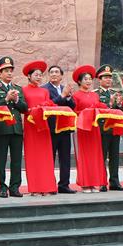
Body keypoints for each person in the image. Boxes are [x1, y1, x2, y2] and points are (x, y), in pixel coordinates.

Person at [0, 56, 28, 198]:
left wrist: (16, 99)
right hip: (2, 128)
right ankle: (2, 187)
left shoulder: (18, 89)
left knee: (17, 160)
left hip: (16, 128)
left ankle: (15, 187)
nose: (9, 73)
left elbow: (24, 108)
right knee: (1, 159)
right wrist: (5, 99)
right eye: (6, 70)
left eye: (11, 70)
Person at [21, 61, 57, 196]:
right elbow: (23, 109)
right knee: (32, 157)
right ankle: (35, 188)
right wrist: (32, 110)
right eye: (36, 75)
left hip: (43, 127)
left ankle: (46, 187)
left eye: (40, 75)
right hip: (31, 126)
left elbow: (50, 106)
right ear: (29, 76)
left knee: (45, 157)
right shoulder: (23, 90)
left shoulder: (45, 90)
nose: (38, 77)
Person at [71, 65, 108, 193]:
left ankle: (94, 183)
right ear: (79, 81)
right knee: (84, 156)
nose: (88, 81)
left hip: (94, 128)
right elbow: (74, 112)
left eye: (90, 79)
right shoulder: (76, 96)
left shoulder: (94, 95)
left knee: (94, 155)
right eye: (85, 79)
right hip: (82, 129)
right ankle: (85, 184)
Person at [42, 65, 76, 194]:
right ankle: (49, 184)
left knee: (65, 158)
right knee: (50, 157)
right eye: (51, 72)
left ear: (61, 76)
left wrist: (68, 97)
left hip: (65, 128)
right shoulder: (44, 89)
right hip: (51, 128)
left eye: (57, 72)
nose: (54, 74)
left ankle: (64, 185)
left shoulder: (64, 88)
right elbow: (50, 105)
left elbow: (73, 106)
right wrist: (63, 95)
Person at [95, 64, 123, 192]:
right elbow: (97, 111)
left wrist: (119, 104)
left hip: (114, 128)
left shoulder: (116, 93)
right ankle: (102, 182)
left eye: (110, 77)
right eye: (105, 77)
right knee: (102, 156)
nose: (108, 80)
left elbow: (122, 111)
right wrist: (109, 104)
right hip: (102, 129)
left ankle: (114, 181)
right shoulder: (96, 94)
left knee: (115, 156)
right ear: (99, 79)